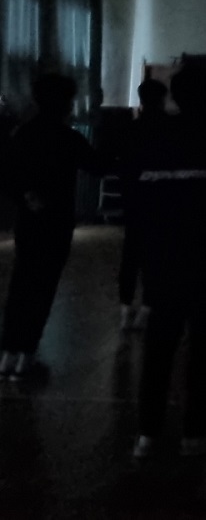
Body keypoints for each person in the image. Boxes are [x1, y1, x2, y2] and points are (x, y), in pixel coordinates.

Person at [130, 65, 206, 459]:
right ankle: (194, 433)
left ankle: (147, 434)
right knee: (205, 350)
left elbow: (137, 200)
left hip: (162, 259)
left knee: (158, 347)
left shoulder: (152, 139)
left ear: (174, 96)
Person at [0, 74, 106, 380]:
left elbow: (6, 174)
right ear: (65, 103)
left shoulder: (23, 134)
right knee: (43, 289)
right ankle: (26, 357)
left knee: (21, 285)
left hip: (28, 222)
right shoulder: (68, 138)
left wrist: (26, 196)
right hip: (57, 223)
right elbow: (98, 166)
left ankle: (7, 355)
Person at [117, 79, 169, 332]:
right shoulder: (171, 128)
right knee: (156, 257)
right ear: (163, 99)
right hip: (162, 201)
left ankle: (125, 307)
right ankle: (148, 308)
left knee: (131, 255)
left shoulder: (130, 129)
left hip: (134, 200)